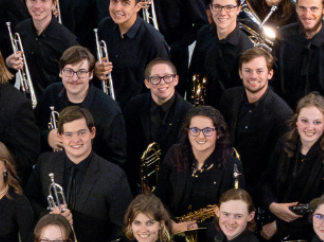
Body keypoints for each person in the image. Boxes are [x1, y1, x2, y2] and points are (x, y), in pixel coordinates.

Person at [27, 107, 131, 242]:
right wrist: (49, 217)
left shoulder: (114, 176)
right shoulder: (45, 163)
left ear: (92, 133)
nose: (76, 140)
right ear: (59, 136)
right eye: (68, 134)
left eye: (81, 133)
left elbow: (122, 231)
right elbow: (30, 200)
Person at [259, 96, 324, 242]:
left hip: (306, 234)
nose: (310, 128)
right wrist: (272, 206)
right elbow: (266, 181)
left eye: (317, 122)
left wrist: (279, 226)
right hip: (270, 218)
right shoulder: (284, 142)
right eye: (305, 121)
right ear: (296, 121)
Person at [157, 107, 241, 232]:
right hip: (172, 229)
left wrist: (199, 228)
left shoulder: (231, 165)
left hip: (211, 234)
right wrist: (171, 225)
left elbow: (236, 213)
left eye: (207, 131)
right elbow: (159, 197)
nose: (200, 136)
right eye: (194, 130)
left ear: (218, 133)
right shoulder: (175, 153)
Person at [38, 46, 124, 166]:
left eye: (81, 72)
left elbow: (117, 160)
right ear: (60, 73)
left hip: (93, 177)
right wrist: (47, 137)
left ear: (90, 75)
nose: (74, 78)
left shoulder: (109, 109)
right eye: (69, 71)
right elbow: (32, 131)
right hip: (54, 169)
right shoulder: (49, 94)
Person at [97, 0, 172, 107]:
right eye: (113, 1)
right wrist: (95, 69)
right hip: (109, 110)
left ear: (138, 6)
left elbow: (162, 90)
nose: (117, 8)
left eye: (125, 3)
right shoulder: (104, 27)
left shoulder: (154, 41)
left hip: (140, 116)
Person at [122, 56, 192, 192]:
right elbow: (128, 149)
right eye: (155, 78)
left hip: (174, 188)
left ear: (176, 80)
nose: (162, 83)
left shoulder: (190, 113)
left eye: (167, 77)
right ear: (147, 83)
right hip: (138, 186)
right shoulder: (134, 106)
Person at [8, 0, 79, 108]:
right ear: (26, 2)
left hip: (57, 104)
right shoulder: (20, 30)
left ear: (53, 5)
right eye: (33, 0)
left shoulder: (67, 41)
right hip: (26, 102)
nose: (37, 6)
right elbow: (10, 74)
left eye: (44, 0)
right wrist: (9, 64)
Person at [222, 48, 291, 181]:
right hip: (226, 178)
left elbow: (277, 166)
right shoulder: (229, 97)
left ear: (270, 74)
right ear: (240, 73)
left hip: (256, 187)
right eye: (248, 71)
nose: (253, 76)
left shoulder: (283, 115)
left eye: (259, 71)